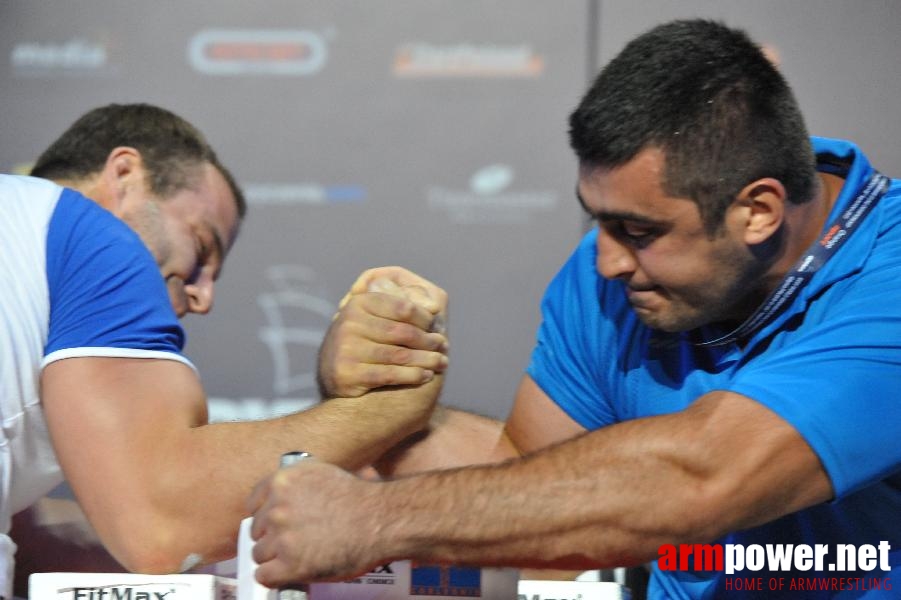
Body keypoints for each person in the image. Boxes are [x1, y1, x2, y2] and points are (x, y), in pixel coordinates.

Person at [248, 19, 901, 598]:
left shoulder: (888, 273)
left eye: (639, 231)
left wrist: (372, 519)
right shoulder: (611, 276)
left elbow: (701, 477)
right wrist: (369, 399)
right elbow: (524, 494)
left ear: (756, 211)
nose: (606, 260)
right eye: (599, 221)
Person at [1, 103, 450, 599]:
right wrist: (390, 401)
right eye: (201, 246)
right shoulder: (99, 240)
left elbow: (47, 540)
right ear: (124, 176)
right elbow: (158, 527)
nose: (204, 296)